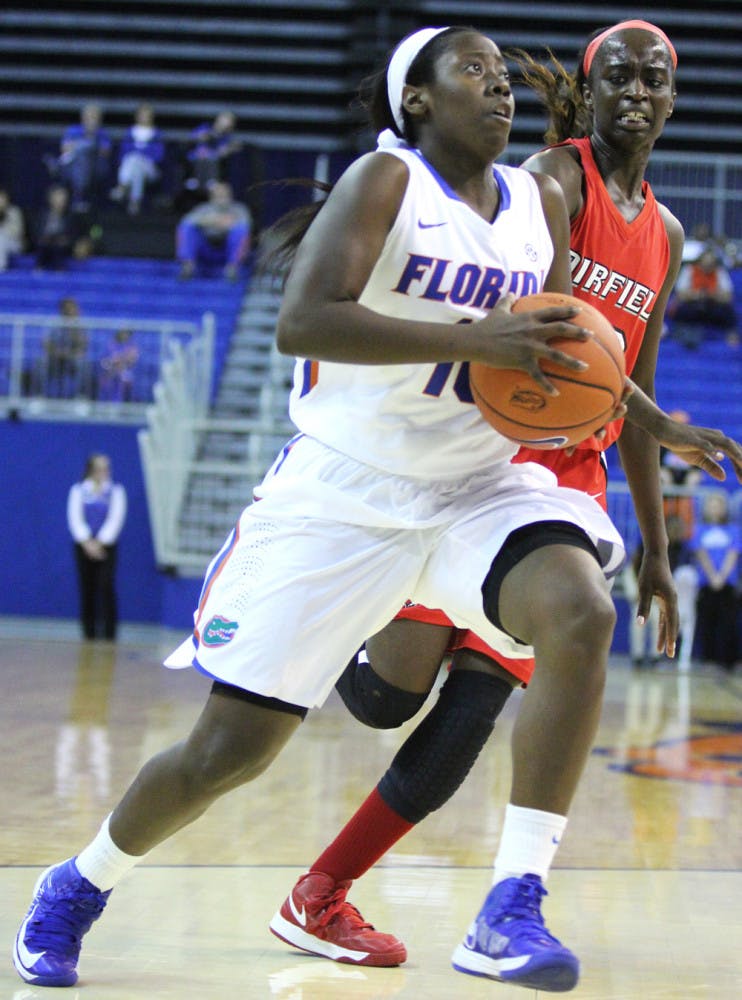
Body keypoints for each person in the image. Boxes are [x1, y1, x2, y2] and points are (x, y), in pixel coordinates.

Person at [14, 25, 635, 991]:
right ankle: (78, 883)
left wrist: (648, 416)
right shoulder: (385, 183)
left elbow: (560, 348)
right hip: (344, 493)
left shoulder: (539, 203)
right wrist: (481, 339)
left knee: (582, 609)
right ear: (417, 101)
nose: (500, 87)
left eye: (506, 75)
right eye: (473, 72)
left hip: (473, 487)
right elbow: (304, 322)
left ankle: (512, 904)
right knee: (227, 754)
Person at [268, 20, 742, 991]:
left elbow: (626, 382)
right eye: (618, 75)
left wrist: (655, 549)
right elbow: (524, 317)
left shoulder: (667, 229)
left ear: (674, 97)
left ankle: (362, 893)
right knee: (386, 699)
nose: (638, 92)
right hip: (498, 458)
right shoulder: (548, 181)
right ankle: (348, 638)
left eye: (655, 78)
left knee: (480, 699)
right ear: (587, 86)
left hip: (576, 481)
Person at [66, 454, 127, 641]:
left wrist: (100, 542)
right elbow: (74, 518)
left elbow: (116, 518)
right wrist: (87, 542)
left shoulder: (115, 491)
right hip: (83, 546)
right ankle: (89, 632)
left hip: (106, 546)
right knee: (87, 587)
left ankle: (109, 633)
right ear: (90, 470)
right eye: (100, 468)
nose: (104, 472)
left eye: (106, 468)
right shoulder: (79, 490)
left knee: (106, 586)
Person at [691, 490, 740, 670]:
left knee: (728, 621)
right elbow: (701, 554)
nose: (715, 508)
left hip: (727, 583)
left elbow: (733, 554)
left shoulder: (733, 530)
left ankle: (728, 661)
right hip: (706, 582)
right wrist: (712, 576)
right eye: (712, 504)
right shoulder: (699, 529)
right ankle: (708, 659)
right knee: (707, 621)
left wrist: (722, 577)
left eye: (718, 505)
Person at [176, 180, 251, 280]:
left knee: (241, 229)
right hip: (206, 249)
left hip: (226, 250)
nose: (222, 198)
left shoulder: (239, 209)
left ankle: (232, 269)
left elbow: (246, 225)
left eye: (225, 195)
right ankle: (188, 266)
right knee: (186, 227)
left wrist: (225, 224)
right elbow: (186, 222)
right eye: (219, 195)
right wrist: (212, 221)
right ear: (212, 196)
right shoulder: (203, 209)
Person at [669, 247, 740, 347]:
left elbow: (728, 296)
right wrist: (696, 295)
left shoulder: (719, 272)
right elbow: (680, 294)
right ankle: (679, 335)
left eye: (710, 263)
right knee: (681, 310)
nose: (707, 265)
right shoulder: (689, 270)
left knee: (728, 311)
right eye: (705, 262)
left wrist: (713, 295)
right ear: (700, 261)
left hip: (713, 305)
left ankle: (732, 339)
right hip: (693, 305)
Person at [51, 103, 113, 214]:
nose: (91, 119)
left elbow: (105, 153)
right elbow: (64, 148)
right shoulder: (73, 130)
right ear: (83, 117)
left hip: (96, 167)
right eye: (89, 116)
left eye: (94, 117)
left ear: (99, 119)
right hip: (74, 166)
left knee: (85, 149)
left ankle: (78, 197)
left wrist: (90, 139)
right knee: (81, 156)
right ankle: (81, 197)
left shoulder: (102, 133)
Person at [110, 103, 165, 215]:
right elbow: (122, 153)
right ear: (137, 116)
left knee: (136, 160)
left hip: (151, 170)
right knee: (135, 166)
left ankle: (122, 187)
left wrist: (139, 153)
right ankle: (135, 201)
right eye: (142, 115)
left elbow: (159, 156)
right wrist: (142, 152)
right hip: (132, 166)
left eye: (147, 115)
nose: (145, 117)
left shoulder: (157, 134)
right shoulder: (130, 132)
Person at [183, 110, 242, 199]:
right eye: (225, 119)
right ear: (218, 119)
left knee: (211, 158)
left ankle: (211, 181)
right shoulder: (205, 127)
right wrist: (203, 137)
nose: (226, 123)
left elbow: (224, 150)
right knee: (200, 157)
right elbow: (193, 138)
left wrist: (228, 149)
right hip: (196, 155)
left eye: (229, 121)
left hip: (213, 158)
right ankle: (193, 179)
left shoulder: (227, 136)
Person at [41, 297, 90, 398]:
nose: (69, 311)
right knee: (40, 363)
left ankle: (81, 396)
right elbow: (45, 344)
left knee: (83, 365)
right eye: (66, 309)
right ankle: (38, 395)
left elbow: (83, 346)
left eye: (72, 308)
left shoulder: (81, 326)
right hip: (55, 357)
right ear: (61, 310)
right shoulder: (53, 325)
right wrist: (57, 353)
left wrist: (73, 328)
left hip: (73, 358)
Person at [33, 184, 83, 271]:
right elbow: (36, 232)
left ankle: (59, 270)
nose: (61, 200)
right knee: (44, 244)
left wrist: (65, 239)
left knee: (58, 246)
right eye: (58, 196)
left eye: (63, 197)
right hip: (45, 244)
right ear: (50, 198)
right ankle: (39, 268)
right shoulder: (42, 215)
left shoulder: (71, 216)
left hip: (62, 245)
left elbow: (74, 234)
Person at [98, 328, 139, 402]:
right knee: (108, 378)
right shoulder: (110, 345)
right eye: (123, 333)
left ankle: (120, 403)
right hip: (109, 371)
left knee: (124, 377)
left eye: (127, 334)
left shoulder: (131, 347)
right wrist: (114, 362)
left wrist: (122, 361)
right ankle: (104, 403)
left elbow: (132, 361)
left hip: (124, 372)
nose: (125, 335)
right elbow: (104, 362)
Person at [0, 186, 25, 271]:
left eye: (2, 198)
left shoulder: (14, 212)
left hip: (14, 243)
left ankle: (1, 270)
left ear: (7, 199)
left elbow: (18, 232)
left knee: (1, 238)